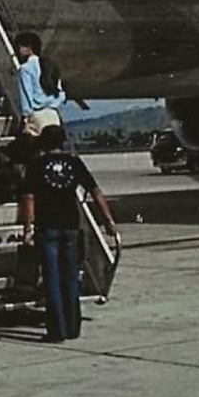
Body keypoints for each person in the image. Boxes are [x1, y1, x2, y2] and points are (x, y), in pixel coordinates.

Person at [19, 124, 117, 342]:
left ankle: (57, 331)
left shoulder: (36, 165)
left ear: (43, 142)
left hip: (48, 229)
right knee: (71, 279)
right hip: (71, 228)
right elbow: (95, 192)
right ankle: (73, 328)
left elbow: (29, 199)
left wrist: (27, 228)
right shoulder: (74, 162)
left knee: (52, 280)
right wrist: (108, 221)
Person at [15, 31, 65, 137]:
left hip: (36, 115)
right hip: (53, 114)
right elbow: (61, 93)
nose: (18, 51)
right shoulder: (50, 66)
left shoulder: (25, 69)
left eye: (20, 47)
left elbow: (26, 96)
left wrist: (25, 118)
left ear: (29, 48)